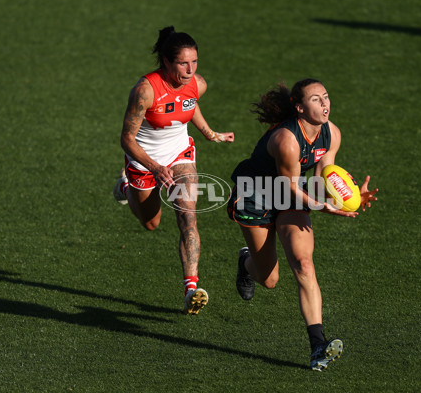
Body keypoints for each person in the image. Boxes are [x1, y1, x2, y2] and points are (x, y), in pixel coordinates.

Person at [226, 79, 378, 371]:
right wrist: (323, 206)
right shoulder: (287, 140)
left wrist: (350, 196)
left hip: (290, 195)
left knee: (304, 264)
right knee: (269, 279)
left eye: (327, 97)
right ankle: (246, 262)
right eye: (316, 99)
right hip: (256, 195)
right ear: (299, 107)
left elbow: (323, 177)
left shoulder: (331, 134)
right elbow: (291, 186)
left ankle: (317, 345)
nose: (325, 104)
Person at [113, 26, 234, 315]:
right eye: (183, 63)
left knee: (187, 215)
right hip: (144, 162)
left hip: (180, 155)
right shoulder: (145, 90)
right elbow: (126, 139)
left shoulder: (197, 83)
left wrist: (208, 133)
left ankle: (191, 289)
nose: (190, 70)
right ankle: (125, 187)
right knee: (151, 223)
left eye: (194, 62)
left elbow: (190, 105)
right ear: (166, 62)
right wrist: (154, 168)